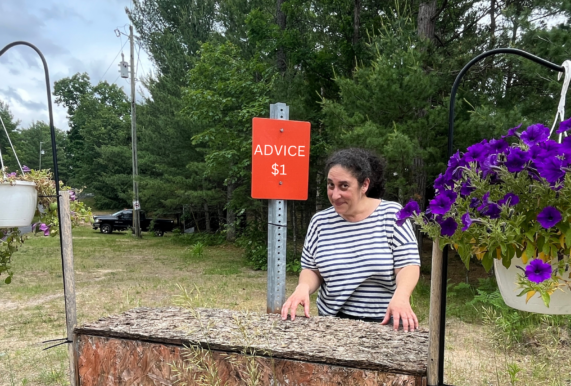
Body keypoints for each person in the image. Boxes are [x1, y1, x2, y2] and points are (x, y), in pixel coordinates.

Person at [280, 148, 421, 331]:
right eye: (331, 185)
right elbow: (312, 270)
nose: (335, 194)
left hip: (385, 321)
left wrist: (402, 296)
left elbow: (408, 265)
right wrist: (303, 287)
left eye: (344, 186)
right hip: (332, 323)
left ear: (364, 185)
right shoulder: (320, 222)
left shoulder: (391, 215)